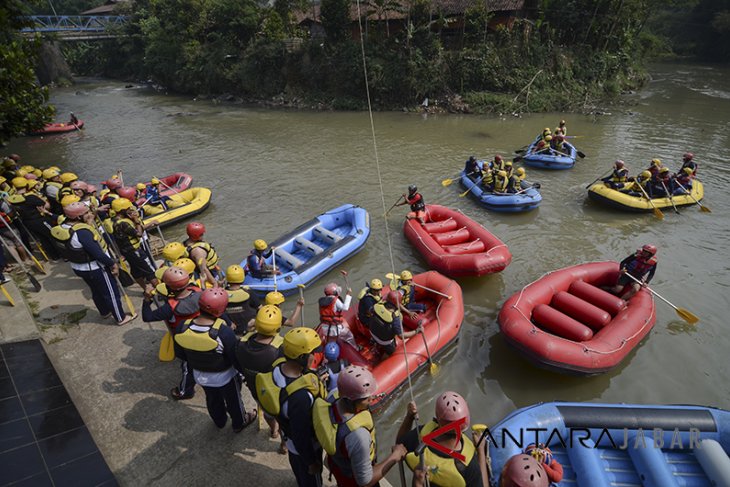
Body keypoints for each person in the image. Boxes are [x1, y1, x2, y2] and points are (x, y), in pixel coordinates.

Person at [174, 288, 257, 431]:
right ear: (220, 312)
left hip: (200, 375)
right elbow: (235, 358)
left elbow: (180, 354)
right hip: (225, 376)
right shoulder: (223, 332)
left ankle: (219, 421)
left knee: (212, 399)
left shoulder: (183, 326)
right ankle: (239, 423)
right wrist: (245, 375)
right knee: (233, 400)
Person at [313, 365, 407, 487]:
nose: (371, 399)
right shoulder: (358, 436)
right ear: (351, 400)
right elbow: (365, 481)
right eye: (365, 397)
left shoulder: (333, 395)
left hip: (338, 466)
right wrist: (395, 456)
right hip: (352, 479)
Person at [256, 327, 327, 487]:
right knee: (312, 479)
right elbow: (301, 435)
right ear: (302, 357)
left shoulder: (276, 369)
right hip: (304, 447)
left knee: (297, 468)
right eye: (312, 353)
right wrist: (311, 462)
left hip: (289, 439)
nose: (314, 356)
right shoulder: (301, 396)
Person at [52, 202, 134, 324]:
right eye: (86, 213)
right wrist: (112, 264)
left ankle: (104, 312)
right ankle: (120, 317)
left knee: (96, 290)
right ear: (78, 217)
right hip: (96, 267)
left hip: (79, 267)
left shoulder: (64, 227)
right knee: (110, 292)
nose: (90, 214)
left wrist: (88, 224)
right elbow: (98, 253)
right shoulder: (82, 232)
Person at [397, 391, 488, 487]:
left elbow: (399, 445)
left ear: (437, 417)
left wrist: (409, 417)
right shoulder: (468, 465)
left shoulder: (420, 437)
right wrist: (481, 451)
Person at [142, 266, 202, 399]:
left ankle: (185, 391)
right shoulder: (199, 291)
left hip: (186, 342)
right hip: (205, 332)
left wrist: (147, 299)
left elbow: (147, 317)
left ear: (169, 288)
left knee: (188, 367)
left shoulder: (169, 308)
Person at [236, 304, 286, 452]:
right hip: (277, 392)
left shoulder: (241, 344)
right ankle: (284, 443)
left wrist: (249, 330)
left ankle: (273, 431)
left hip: (257, 389)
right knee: (282, 418)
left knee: (267, 412)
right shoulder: (280, 349)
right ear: (277, 328)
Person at [111, 198, 158, 290]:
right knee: (150, 271)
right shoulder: (123, 223)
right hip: (135, 251)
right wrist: (136, 220)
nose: (130, 210)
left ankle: (145, 289)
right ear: (122, 210)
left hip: (127, 252)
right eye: (128, 208)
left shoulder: (116, 222)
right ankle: (160, 291)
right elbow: (139, 234)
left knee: (136, 272)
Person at [369, 291, 420, 357]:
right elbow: (401, 336)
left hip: (372, 332)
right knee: (391, 353)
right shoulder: (396, 318)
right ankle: (384, 360)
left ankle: (375, 343)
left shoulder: (378, 306)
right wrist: (416, 331)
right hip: (385, 341)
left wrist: (408, 312)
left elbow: (370, 312)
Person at [317, 282, 357, 348]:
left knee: (331, 342)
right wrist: (348, 295)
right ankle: (356, 348)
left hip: (325, 328)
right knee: (349, 336)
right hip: (335, 328)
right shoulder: (335, 300)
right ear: (334, 292)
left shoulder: (322, 301)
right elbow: (345, 307)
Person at [224, 264, 259, 334]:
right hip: (249, 327)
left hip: (233, 329)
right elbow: (260, 308)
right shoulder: (248, 292)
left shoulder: (222, 294)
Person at [183, 222, 221, 287]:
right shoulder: (198, 251)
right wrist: (215, 283)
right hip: (210, 273)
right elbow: (204, 270)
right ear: (196, 235)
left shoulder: (187, 242)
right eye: (201, 234)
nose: (203, 235)